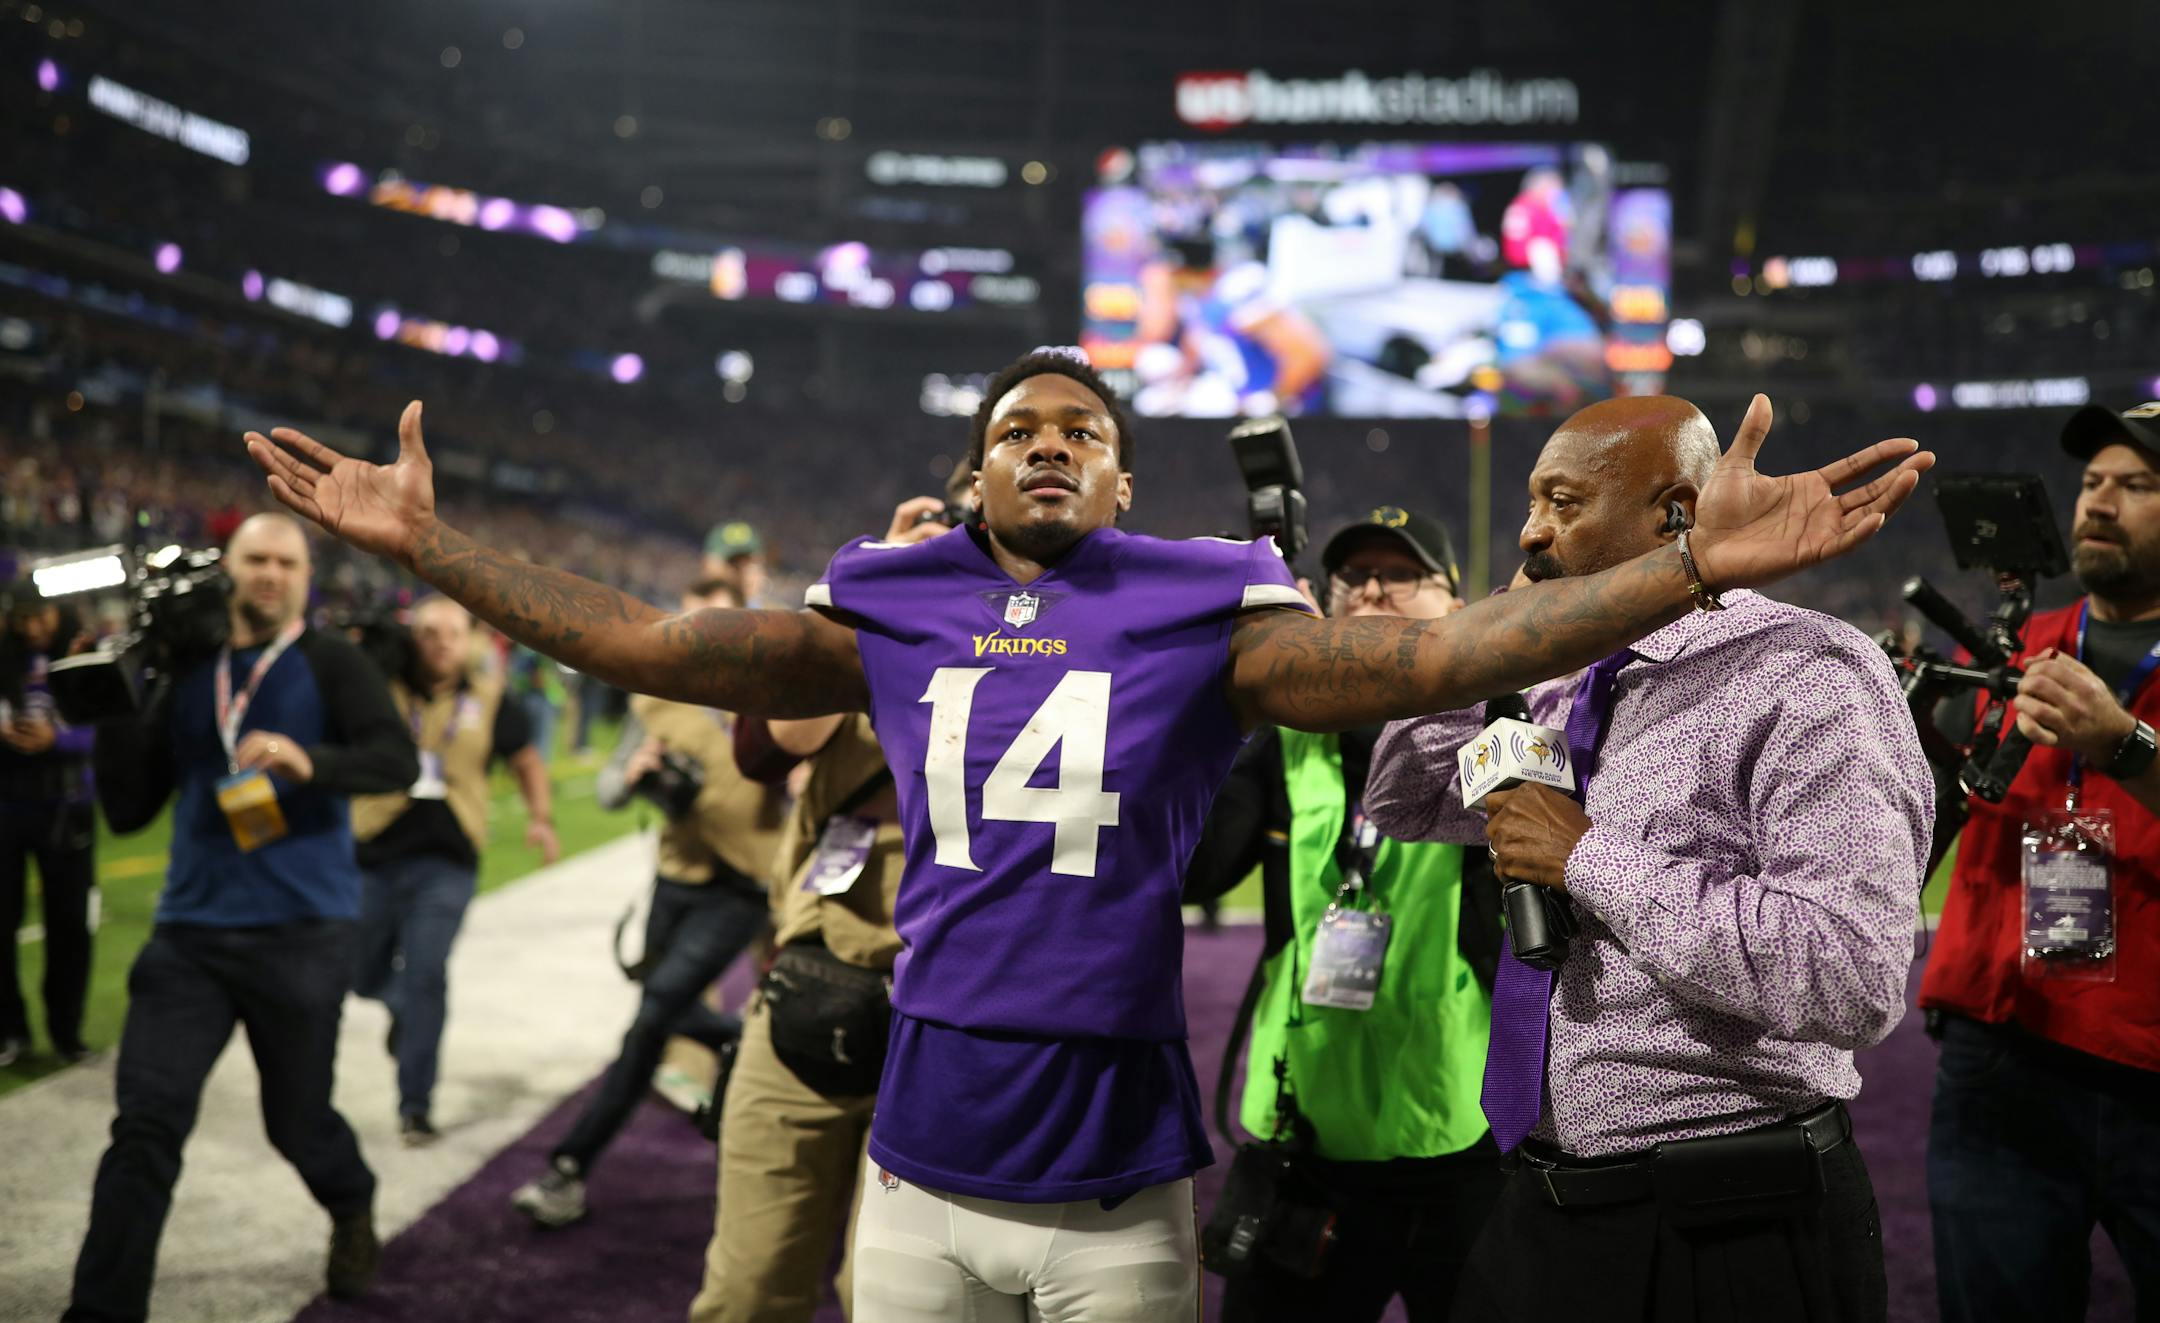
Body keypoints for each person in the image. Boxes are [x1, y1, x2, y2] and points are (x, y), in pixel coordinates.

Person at [245, 354, 1927, 1322]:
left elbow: (1442, 654)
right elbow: (645, 644)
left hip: (1119, 1164)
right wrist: (434, 545)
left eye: (1086, 431)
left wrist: (1694, 569)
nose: (1051, 439)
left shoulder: (1207, 599)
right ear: (973, 473)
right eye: (1017, 429)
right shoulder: (891, 594)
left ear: (1124, 486)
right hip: (918, 1140)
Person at [1363, 396, 1932, 1323]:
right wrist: (1496, 634)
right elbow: (1402, 796)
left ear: (1673, 510)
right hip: (1546, 1201)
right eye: (1532, 502)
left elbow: (1850, 977)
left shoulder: (1807, 671)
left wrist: (1588, 859)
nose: (1529, 528)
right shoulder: (1555, 675)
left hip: (1730, 1220)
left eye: (1563, 502)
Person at [65, 513, 418, 1322]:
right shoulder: (188, 665)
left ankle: (352, 1197)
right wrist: (124, 694)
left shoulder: (332, 660)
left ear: (306, 575)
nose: (269, 573)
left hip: (303, 932)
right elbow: (126, 810)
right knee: (144, 1129)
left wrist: (311, 761)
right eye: (254, 558)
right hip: (189, 934)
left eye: (285, 561)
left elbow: (395, 758)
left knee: (296, 1124)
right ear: (230, 568)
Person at [1184, 505, 1502, 1323]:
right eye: (1354, 577)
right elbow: (1197, 870)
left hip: (1464, 1144)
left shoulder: (1503, 726)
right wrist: (1233, 699)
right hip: (1304, 1146)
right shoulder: (1282, 741)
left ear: (1456, 609)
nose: (1373, 590)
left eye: (1403, 574)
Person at [1920, 401, 2160, 1323]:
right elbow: (1942, 805)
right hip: (2004, 1051)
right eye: (2093, 482)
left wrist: (2124, 741)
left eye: (2137, 485)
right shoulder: (2015, 650)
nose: (2100, 502)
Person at [688, 496, 943, 1323]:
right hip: (811, 982)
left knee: (892, 1302)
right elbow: (764, 749)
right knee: (749, 1291)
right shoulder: (861, 637)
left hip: (947, 1016)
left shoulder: (1044, 653)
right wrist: (862, 591)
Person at [509, 575, 783, 1228]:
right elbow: (607, 789)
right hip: (674, 881)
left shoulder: (775, 698)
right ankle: (740, 1040)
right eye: (691, 628)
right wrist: (633, 776)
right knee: (657, 1015)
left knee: (650, 1017)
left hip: (741, 887)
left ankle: (569, 1165)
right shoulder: (659, 702)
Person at [349, 594, 558, 1145]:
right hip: (373, 851)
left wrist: (541, 817)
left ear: (470, 642)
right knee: (359, 972)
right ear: (410, 638)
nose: (443, 644)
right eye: (430, 633)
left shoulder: (489, 699)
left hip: (448, 861)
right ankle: (403, 1010)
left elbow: (526, 760)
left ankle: (414, 1105)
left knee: (426, 974)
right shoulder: (379, 689)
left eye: (454, 634)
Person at [0, 593, 94, 1066]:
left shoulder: (85, 654)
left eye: (40, 617)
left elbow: (108, 727)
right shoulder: (4, 659)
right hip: (8, 803)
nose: (33, 628)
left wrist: (57, 738)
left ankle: (66, 1034)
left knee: (70, 926)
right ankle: (9, 1033)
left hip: (67, 805)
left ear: (57, 614)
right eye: (22, 619)